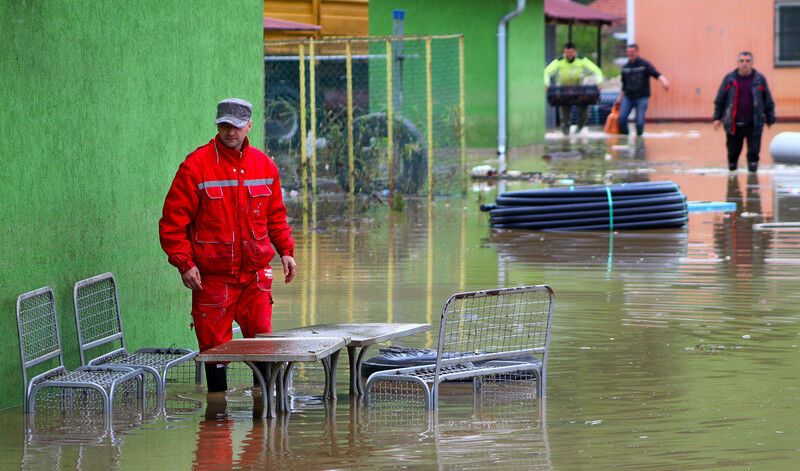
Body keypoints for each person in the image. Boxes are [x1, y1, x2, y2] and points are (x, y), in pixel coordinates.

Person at [159, 98, 298, 392]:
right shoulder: (195, 167)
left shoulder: (265, 166)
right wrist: (185, 264)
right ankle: (217, 416)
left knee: (262, 346)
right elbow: (172, 223)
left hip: (255, 278)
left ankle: (265, 415)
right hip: (212, 279)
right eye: (224, 125)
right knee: (214, 353)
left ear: (249, 126)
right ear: (218, 126)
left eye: (236, 126)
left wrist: (286, 251)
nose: (230, 131)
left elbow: (275, 216)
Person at [713, 51, 775, 172]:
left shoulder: (759, 79)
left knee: (753, 156)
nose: (744, 64)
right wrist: (717, 118)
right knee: (732, 156)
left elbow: (767, 99)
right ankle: (732, 184)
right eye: (742, 61)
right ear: (738, 63)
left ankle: (752, 184)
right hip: (734, 125)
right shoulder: (729, 79)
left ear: (752, 63)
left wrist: (770, 117)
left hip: (754, 124)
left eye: (747, 61)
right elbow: (720, 99)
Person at [544, 42, 603, 135]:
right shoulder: (559, 61)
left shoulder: (582, 60)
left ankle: (579, 130)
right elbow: (546, 71)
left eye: (571, 53)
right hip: (564, 91)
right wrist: (546, 84)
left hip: (579, 90)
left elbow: (597, 70)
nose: (569, 55)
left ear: (574, 52)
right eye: (567, 53)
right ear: (564, 52)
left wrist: (599, 83)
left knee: (584, 113)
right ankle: (566, 133)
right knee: (565, 116)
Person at [616, 44, 669, 136]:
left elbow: (655, 73)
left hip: (642, 97)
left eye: (632, 52)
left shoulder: (644, 64)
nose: (630, 54)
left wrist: (664, 80)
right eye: (628, 52)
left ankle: (639, 143)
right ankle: (625, 139)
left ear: (637, 52)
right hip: (628, 97)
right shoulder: (625, 67)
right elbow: (624, 86)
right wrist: (619, 99)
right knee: (621, 120)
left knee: (639, 122)